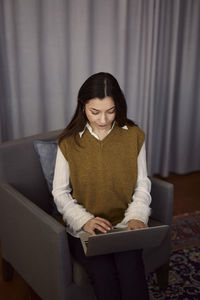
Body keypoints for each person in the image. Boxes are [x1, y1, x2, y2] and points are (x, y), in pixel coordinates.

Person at [52, 72, 151, 300]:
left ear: (119, 106)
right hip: (87, 229)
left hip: (125, 225)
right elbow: (60, 192)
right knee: (104, 276)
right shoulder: (68, 142)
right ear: (83, 107)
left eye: (111, 111)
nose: (103, 120)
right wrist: (84, 220)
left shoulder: (134, 135)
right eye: (95, 112)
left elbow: (142, 183)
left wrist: (137, 216)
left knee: (131, 272)